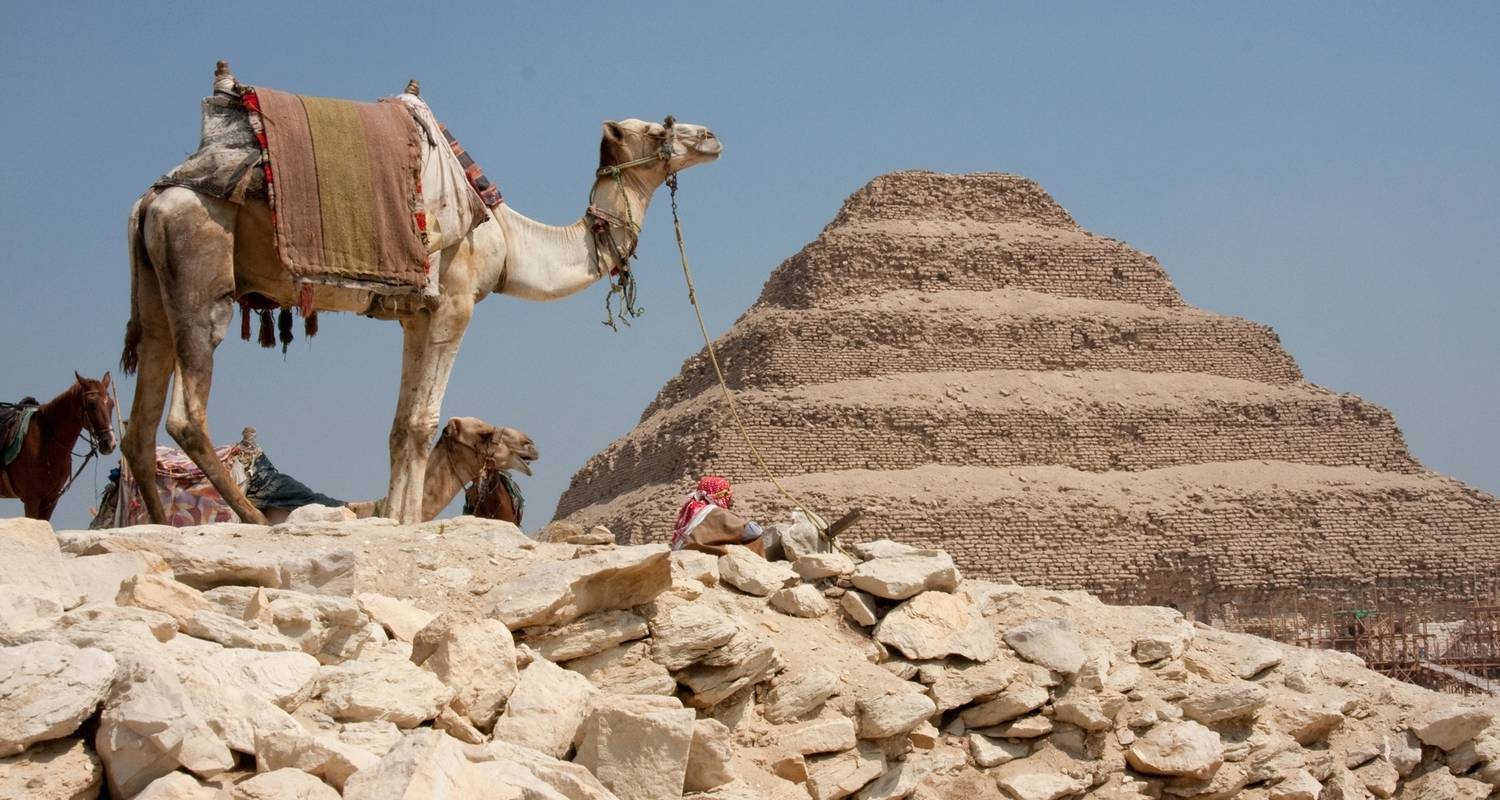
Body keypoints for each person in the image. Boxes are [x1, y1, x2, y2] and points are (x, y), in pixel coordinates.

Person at [671, 476, 781, 557]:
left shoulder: (693, 509)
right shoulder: (714, 512)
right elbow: (753, 531)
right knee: (754, 540)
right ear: (717, 494)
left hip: (687, 551)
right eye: (727, 496)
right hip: (705, 555)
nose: (731, 501)